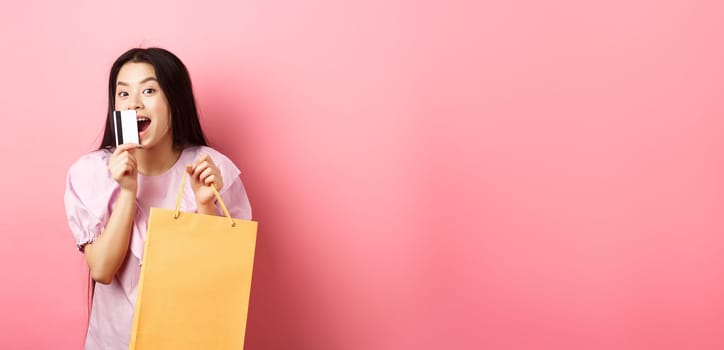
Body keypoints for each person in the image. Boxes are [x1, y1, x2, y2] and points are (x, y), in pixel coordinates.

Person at [63, 47, 252, 350]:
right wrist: (127, 191)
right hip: (114, 342)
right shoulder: (92, 173)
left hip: (191, 341)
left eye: (149, 90)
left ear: (175, 102)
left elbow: (219, 274)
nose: (134, 103)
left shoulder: (211, 167)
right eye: (123, 94)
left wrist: (205, 204)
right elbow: (102, 270)